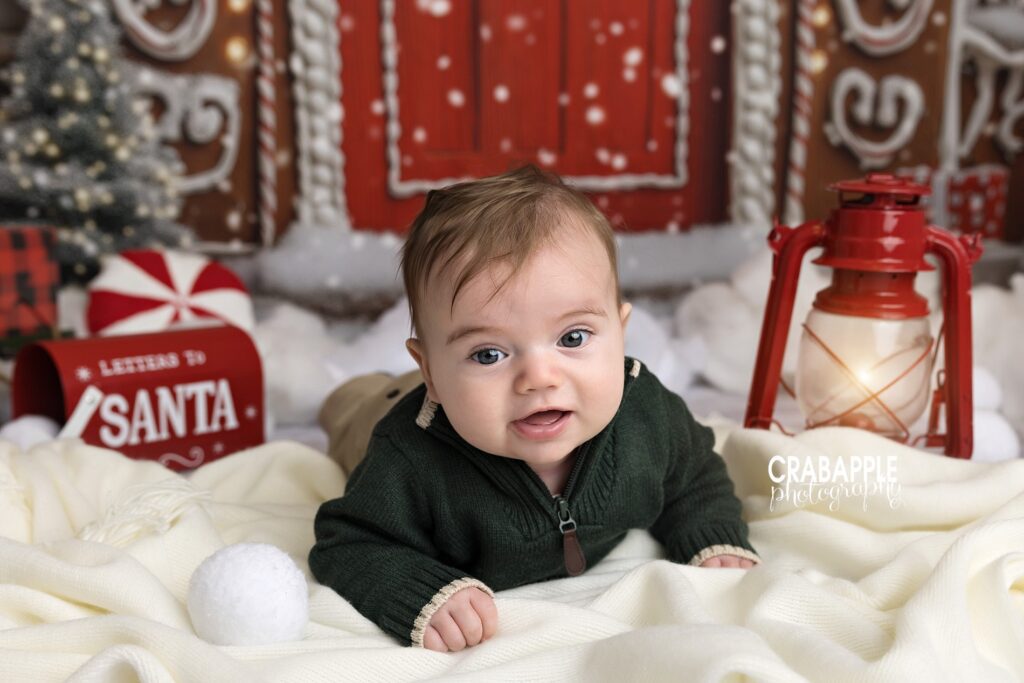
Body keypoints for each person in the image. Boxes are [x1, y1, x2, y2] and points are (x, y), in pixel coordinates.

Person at [309, 165, 760, 653]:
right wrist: (419, 591)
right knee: (354, 405)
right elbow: (348, 542)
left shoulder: (646, 415)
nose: (540, 378)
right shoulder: (406, 457)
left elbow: (694, 476)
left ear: (620, 334)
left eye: (573, 338)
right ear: (431, 371)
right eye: (489, 354)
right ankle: (350, 392)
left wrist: (711, 536)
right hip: (384, 407)